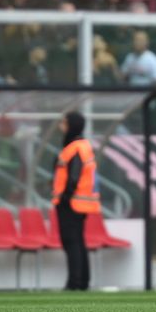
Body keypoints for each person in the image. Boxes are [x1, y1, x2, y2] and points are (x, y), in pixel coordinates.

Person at [52, 111, 100, 291]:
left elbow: (74, 175)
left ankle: (75, 283)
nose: (61, 126)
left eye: (64, 123)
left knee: (72, 242)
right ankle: (82, 282)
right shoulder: (82, 146)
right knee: (78, 242)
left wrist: (65, 197)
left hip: (71, 203)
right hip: (79, 203)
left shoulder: (75, 148)